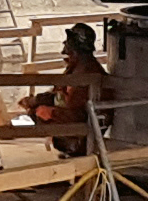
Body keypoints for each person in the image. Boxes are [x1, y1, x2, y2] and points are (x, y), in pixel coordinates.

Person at [20, 23, 115, 156]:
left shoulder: (86, 76)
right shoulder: (77, 68)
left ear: (75, 51)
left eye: (68, 49)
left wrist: (51, 113)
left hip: (82, 138)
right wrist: (35, 100)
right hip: (75, 125)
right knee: (35, 110)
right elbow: (58, 95)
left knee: (37, 113)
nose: (64, 53)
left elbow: (82, 116)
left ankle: (70, 148)